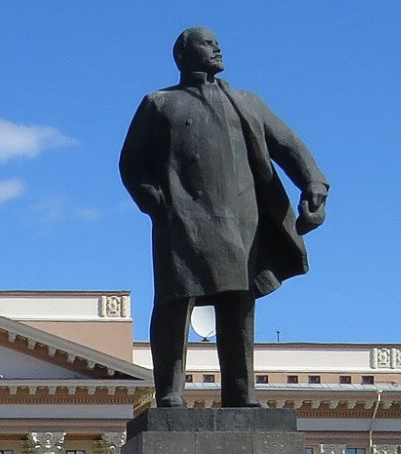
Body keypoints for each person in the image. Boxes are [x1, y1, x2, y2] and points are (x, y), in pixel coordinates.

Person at [119, 25, 328, 408]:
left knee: (239, 305)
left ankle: (241, 392)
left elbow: (287, 142)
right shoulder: (159, 103)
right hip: (181, 218)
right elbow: (132, 163)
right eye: (207, 44)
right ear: (183, 56)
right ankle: (170, 391)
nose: (217, 49)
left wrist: (313, 182)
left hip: (240, 220)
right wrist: (157, 203)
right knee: (174, 303)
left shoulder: (246, 101)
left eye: (217, 44)